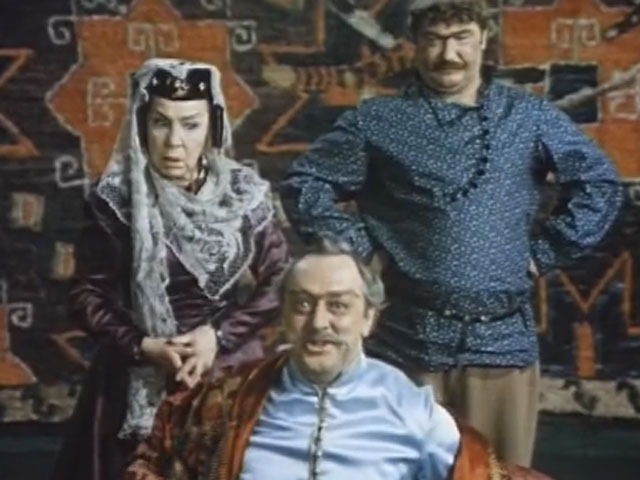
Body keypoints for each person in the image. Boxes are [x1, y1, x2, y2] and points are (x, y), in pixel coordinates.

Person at [279, 0, 622, 467]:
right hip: (405, 343)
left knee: (497, 473)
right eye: (435, 40)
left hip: (501, 346)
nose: (448, 55)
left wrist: (545, 252)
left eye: (461, 38)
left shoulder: (527, 117)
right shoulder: (377, 120)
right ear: (415, 44)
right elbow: (306, 184)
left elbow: (599, 183)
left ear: (483, 39)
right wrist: (358, 252)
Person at [124, 239, 552, 480]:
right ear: (284, 317)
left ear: (368, 319)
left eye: (339, 305)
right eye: (302, 304)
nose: (318, 322)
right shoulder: (225, 401)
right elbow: (151, 467)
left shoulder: (414, 411)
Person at [51, 58, 288, 480]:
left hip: (227, 363)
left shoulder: (241, 193)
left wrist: (218, 336)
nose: (174, 141)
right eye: (161, 123)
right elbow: (85, 295)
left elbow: (280, 280)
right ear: (141, 124)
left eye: (190, 124)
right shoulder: (117, 200)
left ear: (212, 126)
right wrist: (144, 346)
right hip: (137, 368)